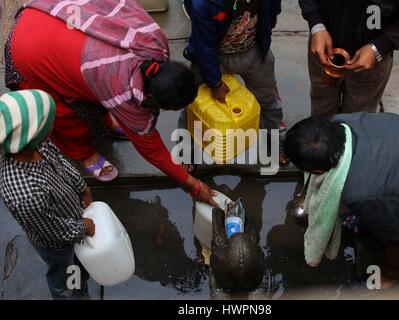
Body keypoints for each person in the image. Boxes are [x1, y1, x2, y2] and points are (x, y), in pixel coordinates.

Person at [5, 0, 216, 206]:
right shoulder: (120, 90)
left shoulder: (154, 40)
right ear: (151, 99)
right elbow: (152, 150)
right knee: (69, 116)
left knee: (94, 94)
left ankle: (106, 123)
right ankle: (84, 153)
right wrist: (194, 186)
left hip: (60, 13)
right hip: (29, 49)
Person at [284, 112, 399, 289]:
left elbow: (398, 233)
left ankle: (386, 278)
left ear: (317, 172)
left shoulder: (362, 191)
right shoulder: (346, 121)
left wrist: (385, 227)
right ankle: (369, 222)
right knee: (381, 207)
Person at [0, 90, 94, 299]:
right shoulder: (24, 194)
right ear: (32, 133)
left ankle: (80, 282)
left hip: (71, 219)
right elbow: (53, 231)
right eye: (50, 121)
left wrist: (82, 187)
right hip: (58, 244)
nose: (54, 123)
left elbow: (60, 162)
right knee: (64, 275)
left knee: (79, 267)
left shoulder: (36, 143)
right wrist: (83, 227)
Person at [181, 0, 288, 164]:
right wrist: (214, 83)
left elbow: (273, 11)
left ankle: (274, 140)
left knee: (269, 101)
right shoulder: (203, 4)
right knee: (194, 104)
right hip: (213, 57)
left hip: (254, 51)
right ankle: (186, 150)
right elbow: (204, 45)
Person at [298, 0, 399, 118]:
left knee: (358, 114)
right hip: (324, 46)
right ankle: (319, 145)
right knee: (322, 105)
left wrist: (378, 48)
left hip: (372, 58)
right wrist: (316, 26)